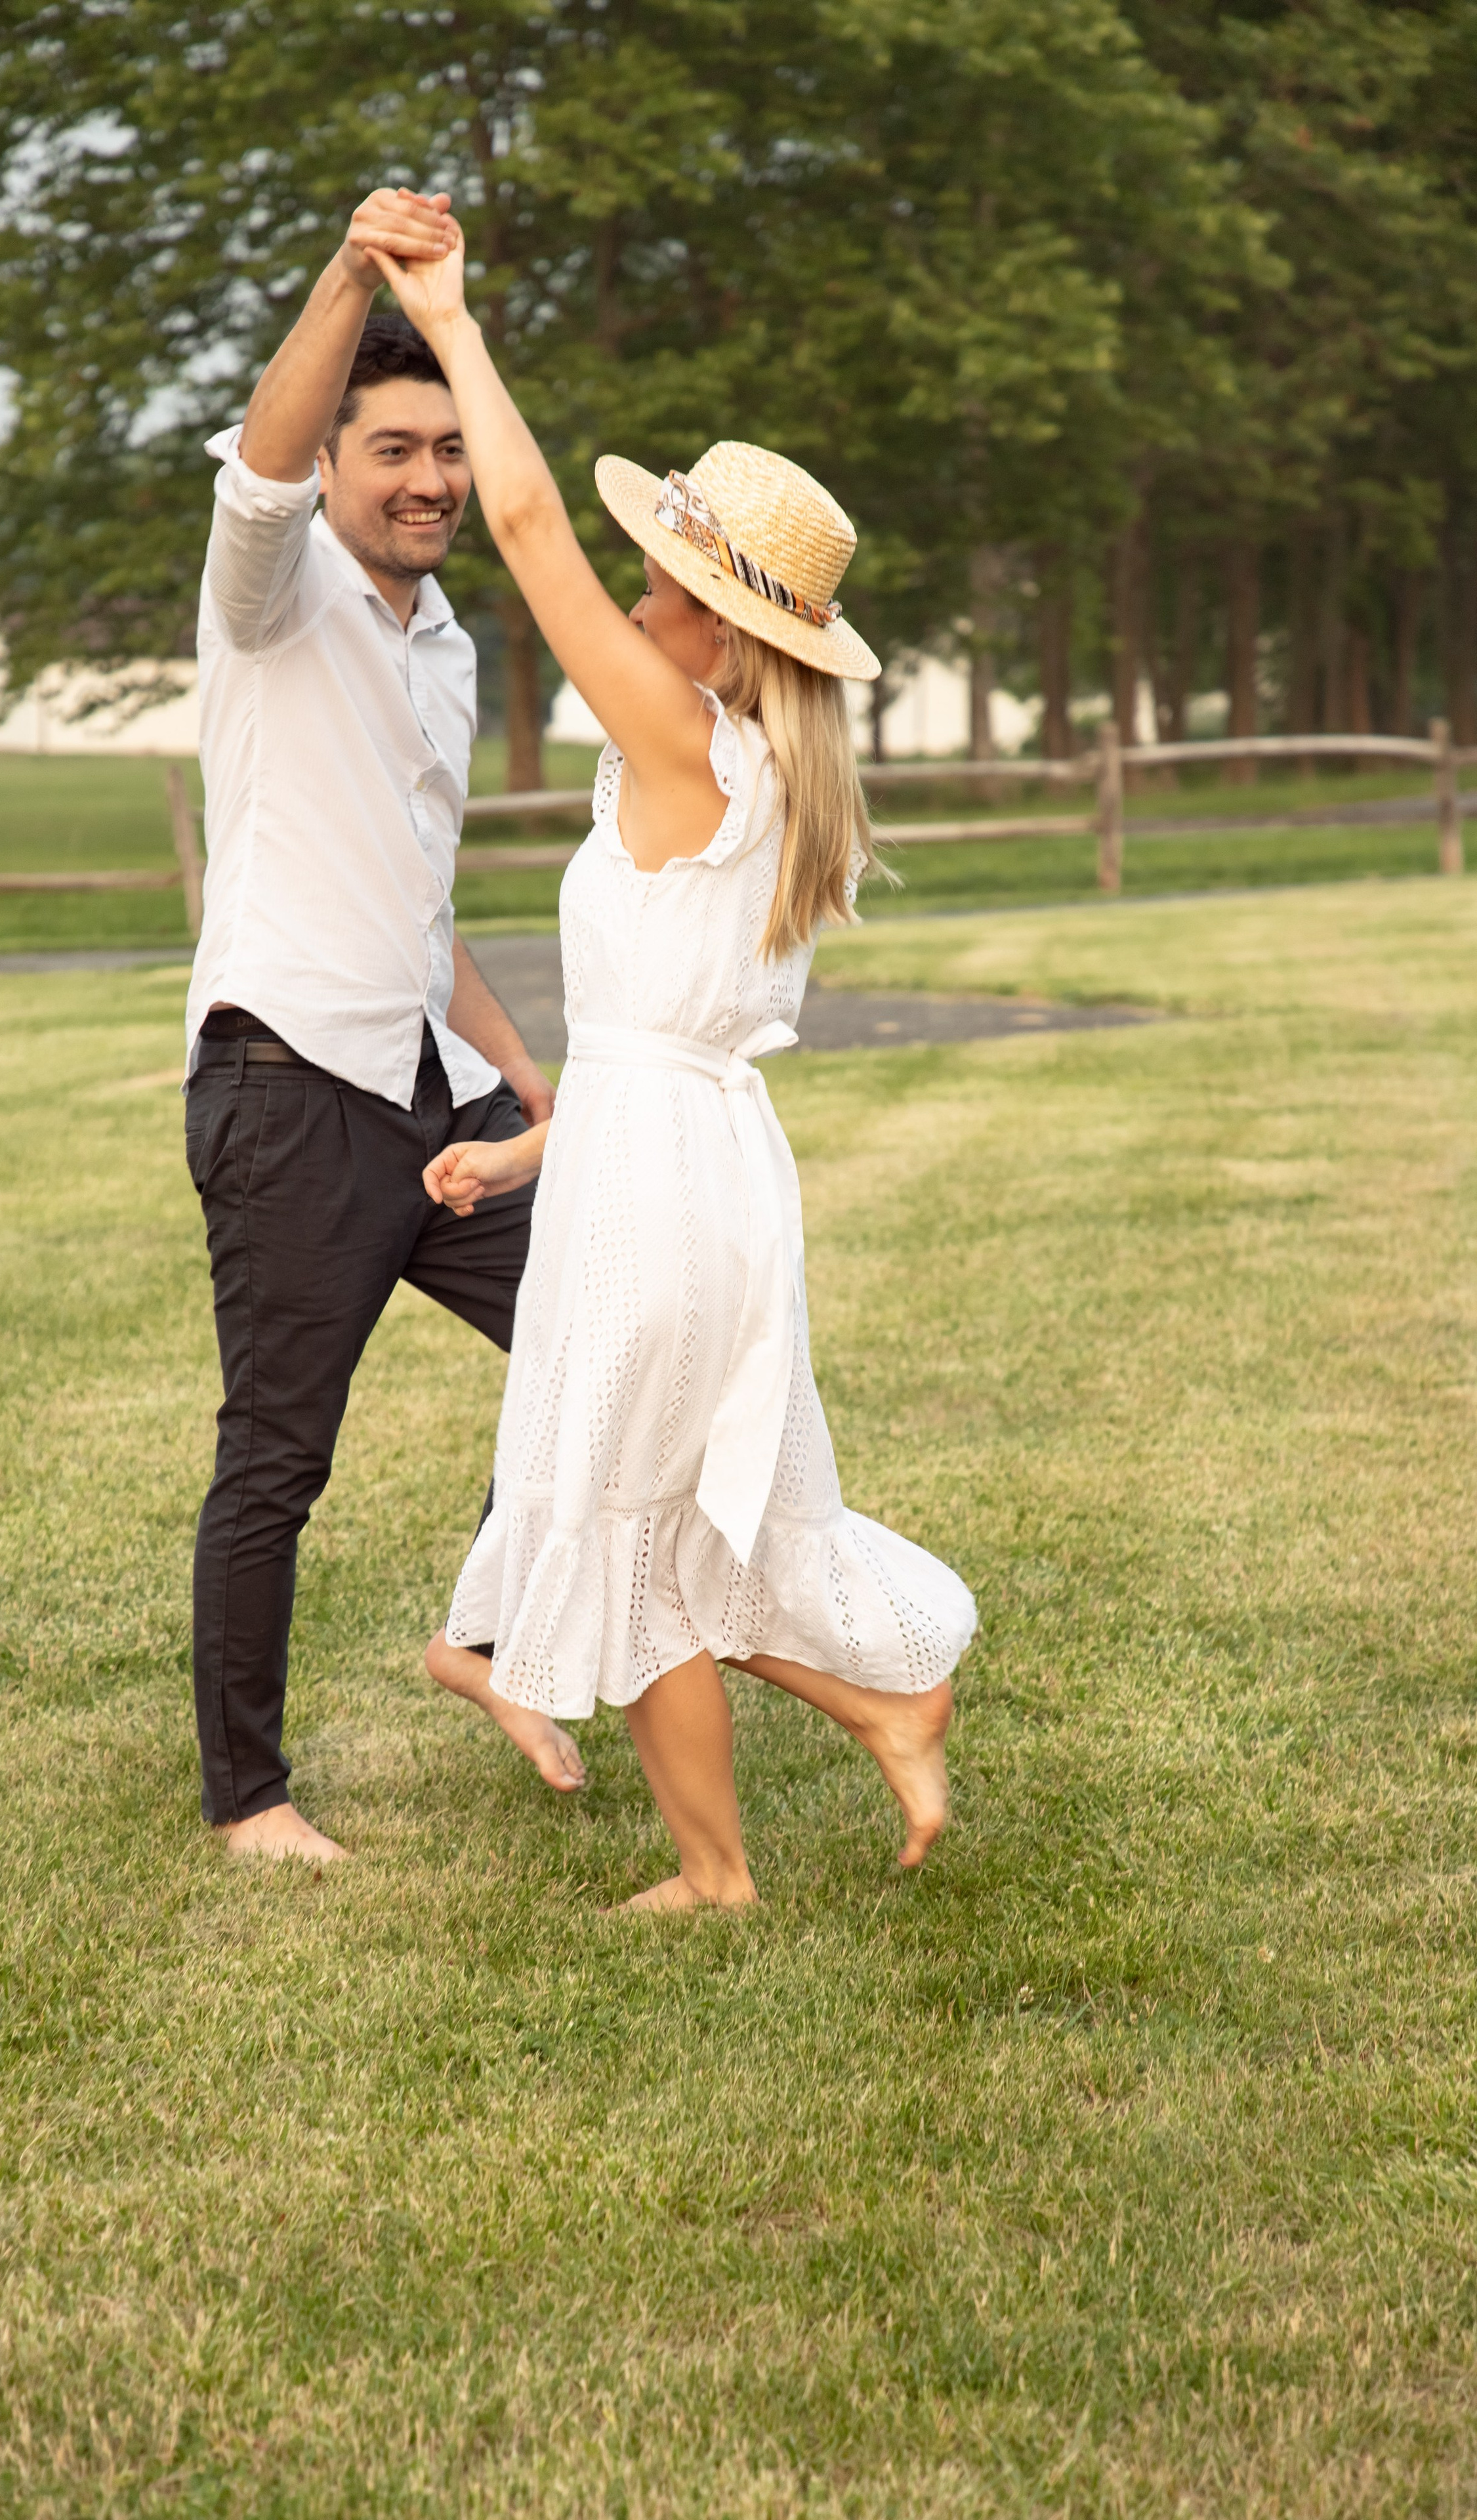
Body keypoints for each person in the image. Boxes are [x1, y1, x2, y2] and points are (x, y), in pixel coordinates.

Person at [373, 209, 978, 1909]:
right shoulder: (769, 781)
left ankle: (729, 1862)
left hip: (665, 1190)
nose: (636, 602)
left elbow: (522, 521)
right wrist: (517, 1151)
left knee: (625, 1527)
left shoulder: (685, 747)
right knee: (667, 1528)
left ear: (724, 630)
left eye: (666, 586)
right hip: (680, 1167)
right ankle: (881, 1719)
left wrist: (455, 320)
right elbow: (655, 1054)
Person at [184, 189, 586, 1867]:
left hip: (433, 1089)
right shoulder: (269, 598)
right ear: (335, 468)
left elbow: (421, 909)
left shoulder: (448, 648)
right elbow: (259, 463)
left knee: (601, 1324)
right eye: (391, 448)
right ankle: (248, 1798)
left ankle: (481, 1636)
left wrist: (523, 1078)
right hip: (286, 1090)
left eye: (445, 448)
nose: (427, 478)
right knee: (279, 1454)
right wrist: (355, 272)